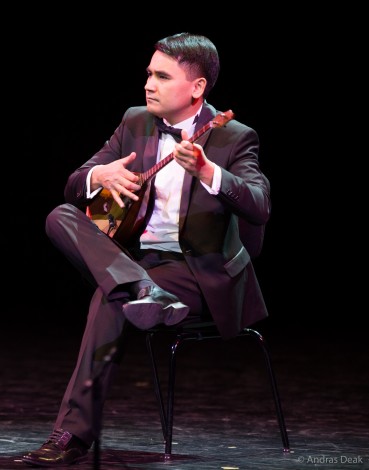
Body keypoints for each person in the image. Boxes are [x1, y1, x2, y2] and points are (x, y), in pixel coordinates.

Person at [21, 32, 271, 467]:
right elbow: (75, 183)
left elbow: (259, 205)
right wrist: (100, 176)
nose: (148, 85)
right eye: (149, 74)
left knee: (110, 297)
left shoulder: (234, 137)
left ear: (197, 87)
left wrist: (209, 172)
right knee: (60, 216)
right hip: (138, 262)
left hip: (195, 271)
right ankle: (141, 289)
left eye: (162, 76)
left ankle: (72, 436)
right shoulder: (135, 121)